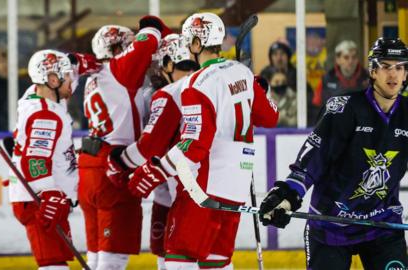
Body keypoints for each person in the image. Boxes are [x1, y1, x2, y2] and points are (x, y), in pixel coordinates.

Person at [127, 12, 279, 269]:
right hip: (236, 186)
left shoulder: (197, 84)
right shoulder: (241, 72)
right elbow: (270, 117)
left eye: (189, 43)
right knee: (216, 263)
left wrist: (157, 169)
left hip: (203, 189)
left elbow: (195, 145)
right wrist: (256, 89)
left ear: (197, 44)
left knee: (178, 257)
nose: (187, 49)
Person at [258, 37, 408, 270]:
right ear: (373, 71)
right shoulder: (344, 109)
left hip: (382, 225)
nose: (393, 74)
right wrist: (287, 195)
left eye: (399, 68)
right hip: (331, 226)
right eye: (386, 66)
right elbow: (312, 159)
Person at [77, 17, 172, 270]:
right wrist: (152, 27)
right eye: (127, 46)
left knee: (97, 253)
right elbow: (147, 41)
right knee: (114, 255)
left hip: (89, 164)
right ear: (118, 50)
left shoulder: (95, 77)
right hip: (113, 164)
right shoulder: (120, 70)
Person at [106, 33, 199, 270]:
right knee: (211, 257)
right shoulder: (209, 85)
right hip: (197, 186)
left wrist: (121, 160)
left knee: (178, 257)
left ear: (168, 64)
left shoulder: (165, 94)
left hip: (182, 189)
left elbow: (150, 145)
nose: (156, 72)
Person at [9, 49, 79, 270]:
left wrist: (74, 62)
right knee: (53, 264)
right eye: (68, 76)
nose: (72, 81)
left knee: (57, 260)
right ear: (52, 79)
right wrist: (48, 192)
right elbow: (35, 159)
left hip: (41, 195)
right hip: (39, 199)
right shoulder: (45, 115)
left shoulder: (36, 95)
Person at [313, 40, 370, 108]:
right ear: (338, 60)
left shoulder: (369, 79)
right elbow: (316, 107)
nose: (350, 61)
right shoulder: (326, 79)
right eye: (346, 57)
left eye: (354, 57)